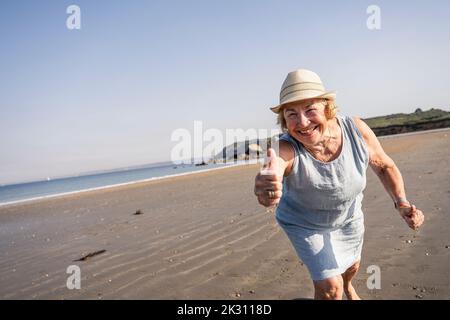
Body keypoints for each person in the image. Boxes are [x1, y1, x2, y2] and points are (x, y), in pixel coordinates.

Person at [254, 69, 425, 300]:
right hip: (304, 223)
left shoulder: (356, 131)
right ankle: (338, 289)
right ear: (284, 119)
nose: (302, 123)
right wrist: (267, 188)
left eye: (310, 110)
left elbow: (384, 166)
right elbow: (274, 169)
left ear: (327, 107)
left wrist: (401, 202)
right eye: (291, 114)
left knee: (352, 265)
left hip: (348, 216)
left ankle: (349, 286)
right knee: (329, 289)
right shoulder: (284, 148)